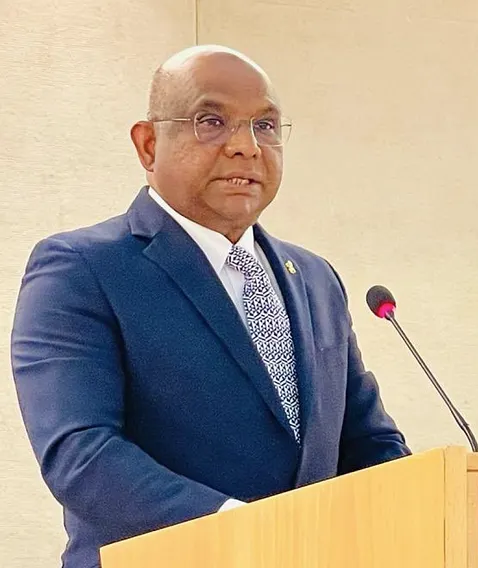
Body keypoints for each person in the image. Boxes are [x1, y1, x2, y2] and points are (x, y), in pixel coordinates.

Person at [10, 45, 410, 568]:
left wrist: (424, 506)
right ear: (148, 144)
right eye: (212, 122)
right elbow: (81, 456)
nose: (246, 147)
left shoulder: (316, 279)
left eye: (265, 126)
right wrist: (244, 533)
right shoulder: (80, 269)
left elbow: (367, 443)